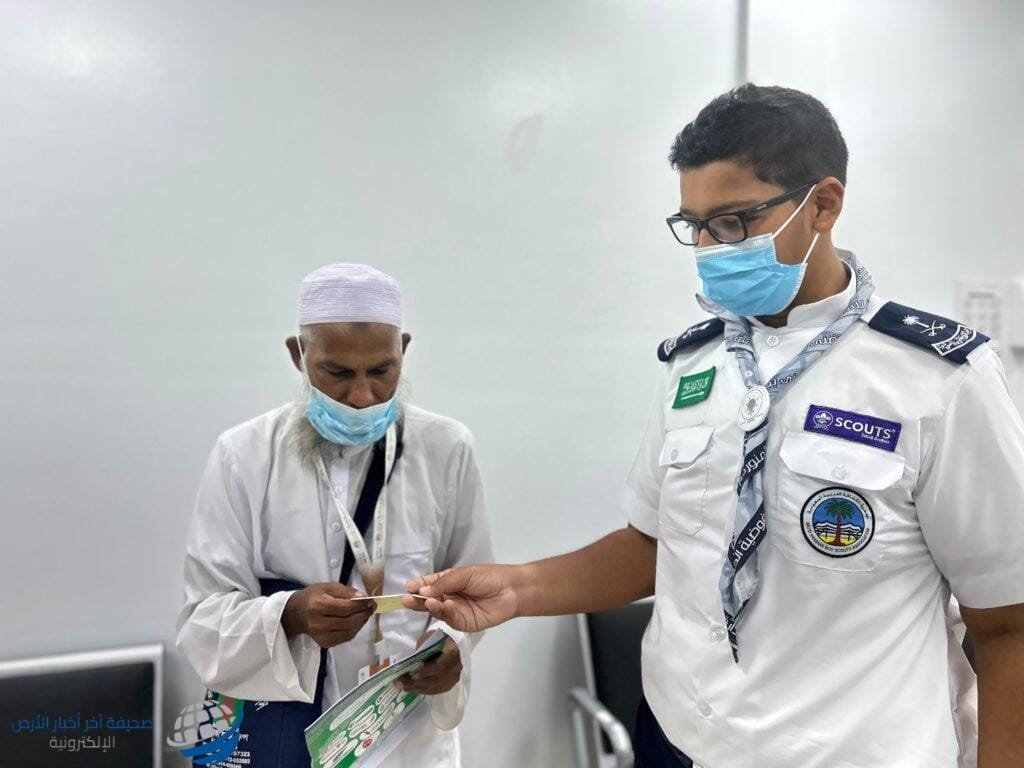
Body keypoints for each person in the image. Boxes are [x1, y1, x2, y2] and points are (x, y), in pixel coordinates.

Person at [404, 85, 1024, 768]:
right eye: (692, 224)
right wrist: (518, 588)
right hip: (676, 739)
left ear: (823, 205)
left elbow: (1009, 625)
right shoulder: (695, 363)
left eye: (732, 222)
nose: (707, 247)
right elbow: (658, 543)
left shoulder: (939, 380)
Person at [177, 263, 492, 767]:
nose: (362, 396)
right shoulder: (243, 455)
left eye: (382, 371)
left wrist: (451, 646)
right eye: (338, 373)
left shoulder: (447, 448)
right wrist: (292, 614)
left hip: (408, 742)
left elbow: (474, 588)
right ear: (298, 355)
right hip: (283, 735)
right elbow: (203, 619)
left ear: (403, 350)